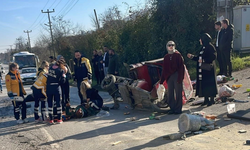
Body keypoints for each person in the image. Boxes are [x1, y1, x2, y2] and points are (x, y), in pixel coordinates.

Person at [187, 33, 218, 106]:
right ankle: (206, 99)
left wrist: (204, 60)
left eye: (201, 39)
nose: (199, 40)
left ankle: (212, 99)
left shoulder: (210, 47)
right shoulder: (203, 47)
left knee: (210, 84)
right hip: (203, 69)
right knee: (204, 84)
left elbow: (213, 56)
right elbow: (199, 58)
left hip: (208, 69)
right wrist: (192, 57)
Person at [159, 41, 185, 114]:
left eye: (172, 45)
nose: (171, 46)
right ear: (167, 47)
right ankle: (172, 108)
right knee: (170, 93)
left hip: (177, 75)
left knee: (178, 92)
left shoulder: (178, 55)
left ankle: (178, 109)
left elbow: (181, 68)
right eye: (169, 45)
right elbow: (165, 69)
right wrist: (162, 81)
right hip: (169, 76)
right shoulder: (166, 57)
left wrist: (180, 78)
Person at [46, 59, 66, 124]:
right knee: (58, 103)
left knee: (50, 103)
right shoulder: (60, 70)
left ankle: (51, 119)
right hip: (56, 87)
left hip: (49, 87)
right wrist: (64, 76)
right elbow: (62, 81)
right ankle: (59, 119)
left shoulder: (50, 68)